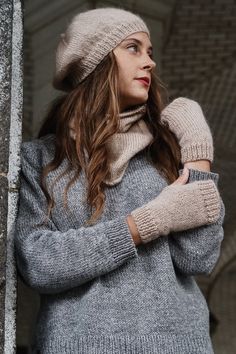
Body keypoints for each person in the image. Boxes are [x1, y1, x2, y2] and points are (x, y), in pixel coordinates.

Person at [14, 7, 225, 354]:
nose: (150, 63)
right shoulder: (40, 159)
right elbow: (38, 263)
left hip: (177, 345)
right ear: (97, 61)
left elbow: (198, 259)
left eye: (150, 52)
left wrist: (197, 154)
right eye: (133, 48)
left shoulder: (165, 152)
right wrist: (144, 224)